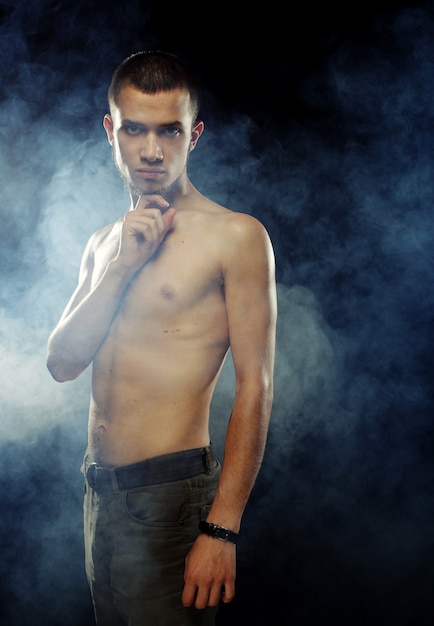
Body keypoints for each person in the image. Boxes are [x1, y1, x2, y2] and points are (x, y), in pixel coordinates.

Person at [46, 50, 277, 626]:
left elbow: (257, 384)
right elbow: (61, 363)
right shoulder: (104, 243)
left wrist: (221, 529)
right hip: (98, 493)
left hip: (171, 499)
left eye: (170, 130)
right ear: (111, 131)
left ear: (193, 134)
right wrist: (122, 266)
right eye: (136, 130)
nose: (152, 150)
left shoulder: (236, 236)